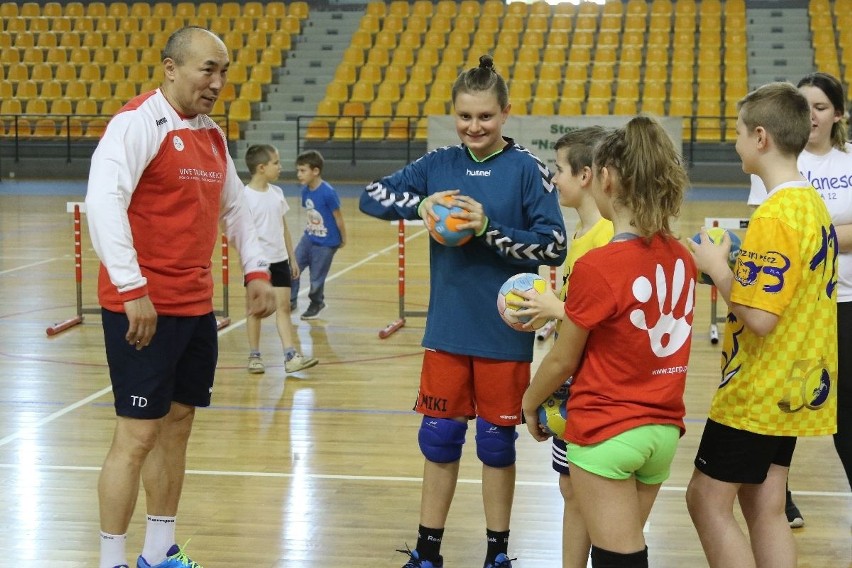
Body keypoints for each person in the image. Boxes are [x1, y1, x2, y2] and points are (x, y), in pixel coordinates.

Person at [359, 55, 567, 568]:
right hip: (447, 331)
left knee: (496, 444)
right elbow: (370, 197)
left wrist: (487, 229)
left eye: (486, 117)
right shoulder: (439, 165)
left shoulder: (528, 171)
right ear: (454, 114)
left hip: (503, 332)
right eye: (465, 117)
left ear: (506, 113)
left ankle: (498, 552)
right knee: (440, 437)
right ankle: (428, 550)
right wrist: (421, 206)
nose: (475, 127)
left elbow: (554, 245)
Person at [85, 26, 276, 568]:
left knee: (177, 427)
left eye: (223, 71)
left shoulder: (211, 134)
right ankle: (111, 560)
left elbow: (234, 208)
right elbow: (104, 203)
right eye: (206, 69)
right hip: (142, 308)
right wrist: (131, 287)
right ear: (171, 68)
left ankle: (158, 552)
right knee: (138, 435)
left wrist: (256, 268)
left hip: (194, 307)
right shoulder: (136, 124)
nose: (217, 82)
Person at [522, 115, 695, 568]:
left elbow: (562, 360)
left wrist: (528, 401)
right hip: (662, 430)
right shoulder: (681, 256)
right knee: (621, 550)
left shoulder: (600, 265)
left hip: (608, 429)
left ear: (607, 179)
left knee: (620, 560)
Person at [686, 82, 838, 568]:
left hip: (757, 389)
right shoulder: (812, 205)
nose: (733, 143)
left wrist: (716, 267)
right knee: (764, 506)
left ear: (759, 137)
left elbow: (758, 317)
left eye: (736, 133)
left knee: (706, 500)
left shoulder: (774, 215)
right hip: (792, 384)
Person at [746, 72, 852, 528]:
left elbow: (795, 239)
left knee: (842, 409)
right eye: (804, 107)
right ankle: (778, 497)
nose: (811, 116)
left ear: (838, 115)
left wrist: (809, 239)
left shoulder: (847, 163)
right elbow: (764, 241)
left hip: (842, 301)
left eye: (821, 107)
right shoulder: (779, 166)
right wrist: (826, 238)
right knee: (783, 400)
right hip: (787, 304)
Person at [514, 126, 613, 568]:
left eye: (558, 170)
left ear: (587, 174)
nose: (553, 180)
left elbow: (596, 316)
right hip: (571, 384)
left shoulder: (606, 236)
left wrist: (559, 309)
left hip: (593, 384)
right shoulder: (583, 231)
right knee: (570, 486)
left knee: (590, 491)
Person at [242, 144, 319, 375]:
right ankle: (255, 355)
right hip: (258, 265)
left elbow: (282, 227)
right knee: (255, 311)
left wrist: (291, 258)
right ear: (261, 167)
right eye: (276, 163)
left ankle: (290, 356)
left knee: (283, 308)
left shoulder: (277, 193)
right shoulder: (245, 197)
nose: (280, 167)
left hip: (280, 261)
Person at [289, 150, 346, 320]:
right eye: (298, 170)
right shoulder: (305, 191)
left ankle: (317, 302)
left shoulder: (328, 192)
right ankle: (291, 300)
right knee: (293, 267)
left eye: (303, 170)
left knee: (316, 278)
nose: (299, 174)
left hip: (326, 243)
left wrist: (343, 238)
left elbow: (338, 217)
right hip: (309, 237)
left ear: (315, 171)